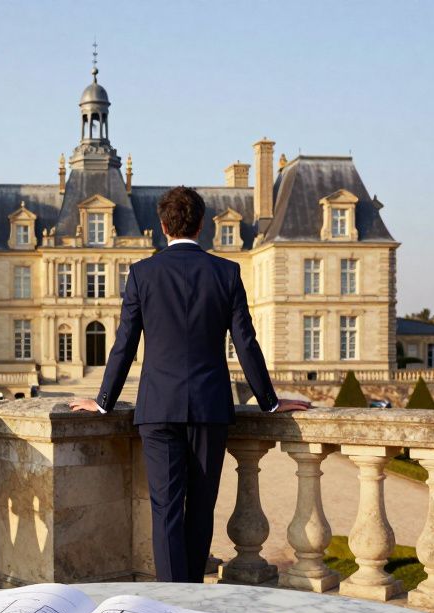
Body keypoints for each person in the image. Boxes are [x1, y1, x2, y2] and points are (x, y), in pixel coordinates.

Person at [70, 186, 309, 582]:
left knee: (165, 510)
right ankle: (194, 593)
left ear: (163, 226)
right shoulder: (226, 272)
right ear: (201, 226)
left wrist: (103, 401)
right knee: (201, 507)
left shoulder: (143, 273)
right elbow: (245, 341)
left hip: (158, 408)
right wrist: (268, 401)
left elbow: (125, 343)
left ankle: (171, 600)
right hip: (209, 408)